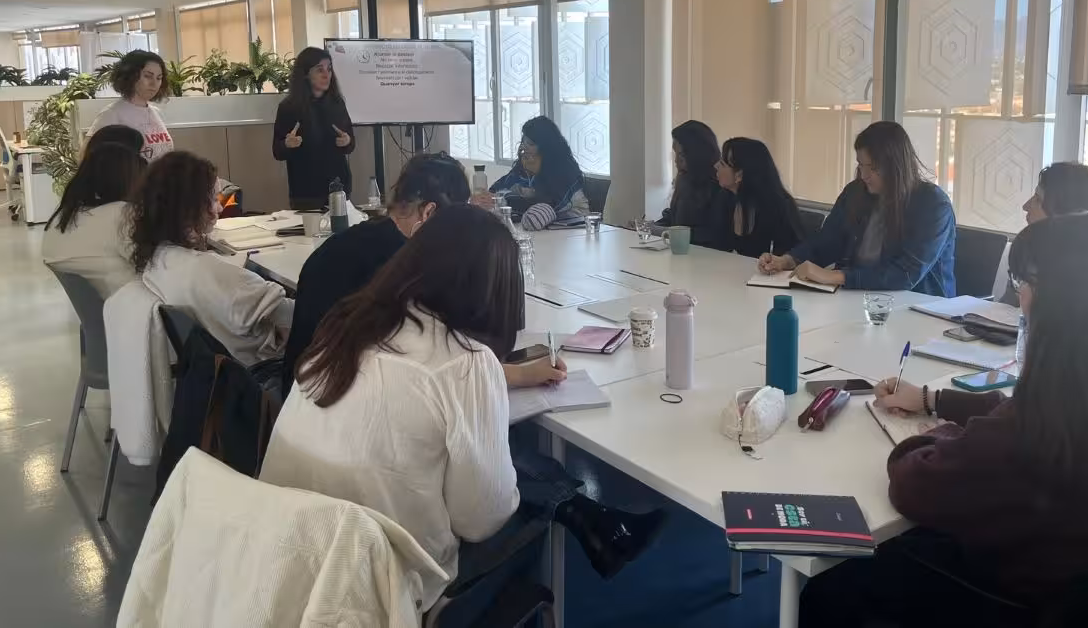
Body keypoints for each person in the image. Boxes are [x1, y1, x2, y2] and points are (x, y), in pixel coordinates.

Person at [261, 205, 665, 610]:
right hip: (377, 588)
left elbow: (418, 384)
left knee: (477, 454)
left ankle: (593, 522)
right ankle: (586, 520)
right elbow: (481, 520)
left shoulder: (349, 324)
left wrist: (509, 384)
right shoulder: (464, 362)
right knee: (507, 470)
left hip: (285, 561)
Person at [799, 212, 1088, 627]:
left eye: (1023, 286)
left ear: (1062, 305)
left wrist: (939, 432)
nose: (1022, 301)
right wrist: (935, 400)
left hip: (1015, 599)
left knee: (830, 589)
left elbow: (913, 483)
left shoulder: (1028, 435)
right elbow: (1025, 410)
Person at [282, 152, 566, 397]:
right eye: (458, 220)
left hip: (303, 397)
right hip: (343, 401)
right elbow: (442, 364)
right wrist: (521, 375)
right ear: (429, 213)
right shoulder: (400, 267)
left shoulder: (353, 241)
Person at [129, 151, 291, 366]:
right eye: (215, 199)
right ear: (190, 207)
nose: (220, 208)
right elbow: (295, 314)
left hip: (217, 372)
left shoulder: (157, 259)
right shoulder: (209, 272)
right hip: (263, 373)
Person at [761, 121, 956, 296]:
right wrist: (787, 260)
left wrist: (836, 276)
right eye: (861, 166)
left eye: (873, 168)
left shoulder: (934, 205)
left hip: (919, 308)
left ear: (896, 166)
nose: (864, 175)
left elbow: (905, 274)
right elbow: (827, 241)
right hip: (857, 299)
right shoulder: (856, 192)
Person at [1000, 161, 1088, 304]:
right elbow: (1003, 312)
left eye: (1038, 199)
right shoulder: (1029, 252)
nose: (1025, 206)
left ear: (1066, 212)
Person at [41, 140, 147, 298]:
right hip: (134, 310)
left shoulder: (61, 217)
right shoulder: (121, 214)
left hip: (101, 313)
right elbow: (157, 267)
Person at [272, 47, 356, 210]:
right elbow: (277, 151)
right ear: (305, 74)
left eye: (329, 69)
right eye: (319, 70)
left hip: (339, 187)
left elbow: (351, 145)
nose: (327, 75)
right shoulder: (289, 107)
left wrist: (347, 141)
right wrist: (287, 145)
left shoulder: (337, 104)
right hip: (306, 192)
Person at [484, 115, 590, 230]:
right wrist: (496, 198)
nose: (525, 148)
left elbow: (547, 205)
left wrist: (506, 199)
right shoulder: (524, 167)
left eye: (531, 144)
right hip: (537, 228)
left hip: (573, 229)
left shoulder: (564, 171)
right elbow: (496, 190)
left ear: (546, 147)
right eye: (523, 142)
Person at [713, 137, 805, 258]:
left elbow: (791, 256)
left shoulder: (778, 206)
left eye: (723, 164)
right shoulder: (725, 198)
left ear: (739, 175)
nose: (715, 166)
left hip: (766, 275)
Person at [85, 50, 174, 162]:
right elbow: (87, 158)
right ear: (130, 76)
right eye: (147, 76)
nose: (154, 83)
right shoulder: (112, 114)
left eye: (159, 78)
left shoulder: (156, 112)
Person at [654, 120, 727, 249]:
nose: (676, 161)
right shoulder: (684, 179)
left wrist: (669, 233)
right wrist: (651, 227)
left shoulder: (719, 185)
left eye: (681, 155)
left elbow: (715, 234)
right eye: (675, 154)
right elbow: (673, 216)